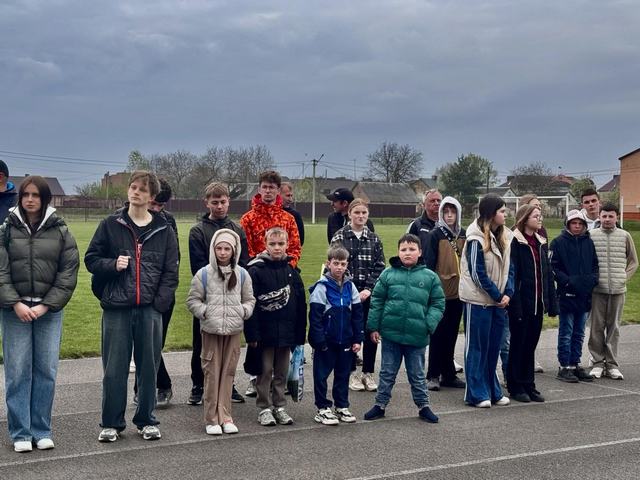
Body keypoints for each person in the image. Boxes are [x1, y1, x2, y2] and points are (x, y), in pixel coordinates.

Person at [85, 171, 179, 443]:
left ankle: (147, 419)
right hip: (117, 308)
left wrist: (159, 304)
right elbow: (91, 259)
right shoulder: (110, 224)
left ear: (152, 197)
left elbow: (170, 272)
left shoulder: (164, 230)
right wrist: (112, 265)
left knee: (148, 368)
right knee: (114, 369)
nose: (136, 192)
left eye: (142, 189)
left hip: (150, 309)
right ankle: (111, 423)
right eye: (133, 187)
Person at [0, 175, 79, 453]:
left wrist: (45, 305)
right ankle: (21, 432)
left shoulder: (61, 230)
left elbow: (68, 271)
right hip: (15, 312)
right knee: (17, 371)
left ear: (45, 198)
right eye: (26, 195)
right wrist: (16, 303)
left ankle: (41, 429)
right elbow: (0, 271)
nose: (30, 200)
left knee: (46, 370)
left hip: (48, 312)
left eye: (35, 195)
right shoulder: (6, 229)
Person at [363, 233, 445, 422]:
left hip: (417, 336)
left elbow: (438, 303)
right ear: (398, 252)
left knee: (417, 375)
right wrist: (373, 327)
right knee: (387, 373)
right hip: (391, 335)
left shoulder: (430, 277)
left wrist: (428, 323)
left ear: (420, 252)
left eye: (412, 249)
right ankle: (380, 404)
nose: (407, 253)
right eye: (403, 249)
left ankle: (423, 406)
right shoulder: (388, 274)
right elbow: (377, 300)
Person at [186, 229, 255, 435]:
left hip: (233, 332)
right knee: (212, 374)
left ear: (234, 251)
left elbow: (249, 299)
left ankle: (226, 416)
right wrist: (205, 312)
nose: (223, 253)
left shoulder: (242, 274)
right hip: (211, 332)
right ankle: (211, 419)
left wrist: (243, 311)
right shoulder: (204, 274)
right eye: (219, 248)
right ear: (213, 250)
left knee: (228, 374)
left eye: (227, 249)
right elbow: (193, 300)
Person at [188, 182, 249, 405]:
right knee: (202, 344)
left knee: (229, 345)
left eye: (223, 202)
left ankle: (228, 385)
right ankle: (198, 385)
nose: (219, 206)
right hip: (208, 295)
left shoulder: (237, 230)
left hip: (231, 294)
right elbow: (197, 266)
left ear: (228, 201)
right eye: (215, 202)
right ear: (207, 203)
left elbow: (243, 263)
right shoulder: (198, 231)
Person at [244, 227, 306, 426]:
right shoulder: (256, 271)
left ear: (287, 245)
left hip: (286, 333)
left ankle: (279, 405)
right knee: (264, 371)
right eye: (272, 244)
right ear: (265, 244)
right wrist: (252, 334)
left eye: (281, 244)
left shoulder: (292, 272)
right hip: (264, 334)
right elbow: (251, 304)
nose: (277, 248)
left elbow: (300, 305)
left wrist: (300, 334)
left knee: (281, 372)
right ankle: (264, 407)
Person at [459, 194, 514, 408]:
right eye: (502, 211)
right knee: (477, 347)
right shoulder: (475, 238)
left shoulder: (504, 237)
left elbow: (510, 268)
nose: (505, 214)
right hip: (478, 302)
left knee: (493, 348)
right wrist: (497, 295)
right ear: (491, 214)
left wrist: (508, 293)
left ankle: (492, 389)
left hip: (498, 303)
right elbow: (477, 273)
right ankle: (475, 393)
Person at [131, 178, 179, 407]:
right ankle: (151, 386)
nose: (157, 209)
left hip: (161, 296)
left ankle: (153, 387)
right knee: (142, 344)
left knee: (153, 344)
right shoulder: (128, 219)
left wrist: (162, 298)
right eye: (154, 204)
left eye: (161, 205)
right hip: (135, 292)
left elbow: (173, 261)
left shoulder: (168, 222)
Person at [331, 198, 386, 392]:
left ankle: (368, 372)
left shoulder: (374, 238)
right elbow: (336, 264)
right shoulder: (340, 236)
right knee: (350, 333)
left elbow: (380, 266)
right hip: (347, 293)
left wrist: (368, 289)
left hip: (369, 294)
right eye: (357, 212)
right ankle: (352, 372)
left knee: (371, 332)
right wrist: (352, 290)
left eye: (364, 213)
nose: (360, 216)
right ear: (349, 214)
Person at [506, 205, 557, 403]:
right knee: (518, 344)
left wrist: (551, 303)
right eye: (536, 216)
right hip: (522, 304)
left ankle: (529, 384)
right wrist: (516, 306)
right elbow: (513, 276)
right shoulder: (515, 242)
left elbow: (547, 273)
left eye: (540, 215)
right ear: (525, 219)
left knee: (530, 345)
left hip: (538, 304)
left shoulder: (540, 242)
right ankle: (515, 385)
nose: (540, 218)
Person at [308, 245, 363, 425]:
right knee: (321, 376)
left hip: (346, 340)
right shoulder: (321, 287)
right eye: (336, 263)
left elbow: (357, 315)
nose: (339, 267)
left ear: (347, 265)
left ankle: (341, 406)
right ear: (328, 264)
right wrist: (319, 340)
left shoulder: (350, 286)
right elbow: (315, 317)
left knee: (343, 375)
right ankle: (323, 408)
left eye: (343, 264)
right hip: (326, 341)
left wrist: (357, 338)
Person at [588, 203, 638, 379]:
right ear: (599, 217)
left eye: (611, 216)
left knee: (614, 327)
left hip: (618, 290)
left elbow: (633, 262)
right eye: (604, 216)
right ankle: (597, 362)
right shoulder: (592, 235)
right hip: (597, 290)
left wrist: (624, 277)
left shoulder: (625, 236)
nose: (607, 219)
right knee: (596, 327)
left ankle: (611, 364)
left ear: (617, 217)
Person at [549, 210, 598, 383]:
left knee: (579, 332)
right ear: (567, 224)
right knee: (566, 331)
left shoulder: (588, 242)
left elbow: (595, 265)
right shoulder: (558, 243)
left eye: (580, 223)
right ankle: (564, 366)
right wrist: (568, 281)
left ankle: (574, 364)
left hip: (584, 295)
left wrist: (592, 280)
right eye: (573, 223)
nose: (577, 226)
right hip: (567, 294)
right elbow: (552, 267)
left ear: (584, 225)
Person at [424, 196, 466, 391]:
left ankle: (448, 374)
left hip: (459, 293)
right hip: (440, 293)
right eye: (446, 212)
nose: (449, 215)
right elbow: (429, 264)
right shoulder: (435, 234)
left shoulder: (464, 234)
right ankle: (433, 374)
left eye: (453, 212)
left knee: (451, 335)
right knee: (438, 334)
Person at [240, 170, 301, 268]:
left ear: (278, 190)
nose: (267, 191)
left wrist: (288, 267)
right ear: (259, 189)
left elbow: (295, 248)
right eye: (264, 187)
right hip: (257, 271)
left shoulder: (288, 219)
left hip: (283, 270)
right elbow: (246, 251)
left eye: (271, 187)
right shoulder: (247, 219)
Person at [281, 181, 305, 246]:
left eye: (291, 196)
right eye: (288, 196)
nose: (290, 199)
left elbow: (300, 241)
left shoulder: (295, 215)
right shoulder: (271, 213)